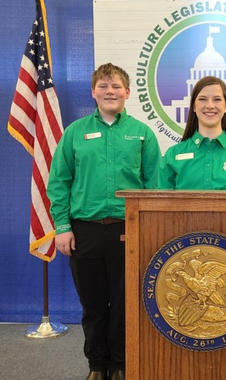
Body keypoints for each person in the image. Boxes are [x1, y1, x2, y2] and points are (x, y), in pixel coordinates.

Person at [47, 63, 161, 380]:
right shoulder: (75, 133)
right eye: (103, 85)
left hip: (130, 231)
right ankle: (97, 366)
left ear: (127, 92)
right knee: (93, 305)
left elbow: (154, 185)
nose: (110, 91)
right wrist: (62, 227)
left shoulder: (142, 134)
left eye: (116, 86)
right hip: (84, 232)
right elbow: (59, 182)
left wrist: (149, 230)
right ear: (93, 91)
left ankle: (121, 365)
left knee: (126, 305)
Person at [159, 75, 226, 190]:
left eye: (217, 99)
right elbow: (162, 204)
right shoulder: (172, 155)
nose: (210, 106)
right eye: (202, 99)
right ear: (194, 107)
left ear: (225, 106)